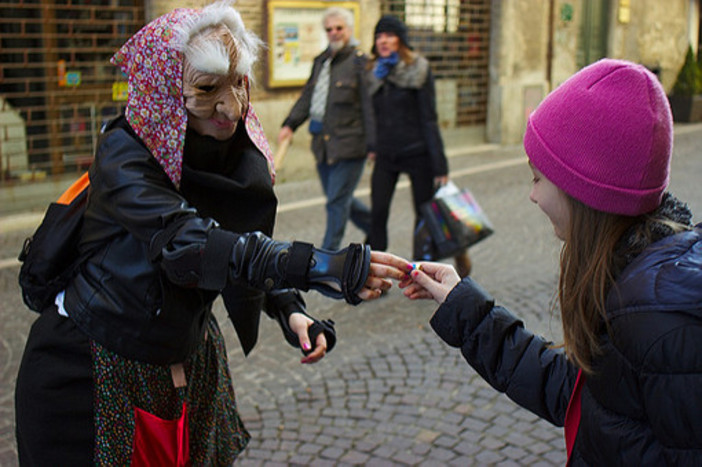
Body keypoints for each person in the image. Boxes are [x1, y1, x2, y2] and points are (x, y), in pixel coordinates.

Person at [14, 2, 404, 465]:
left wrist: (289, 309)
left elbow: (241, 237)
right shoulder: (125, 154)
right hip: (96, 364)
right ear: (164, 91)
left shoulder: (229, 149)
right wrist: (319, 266)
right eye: (206, 88)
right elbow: (192, 242)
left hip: (188, 356)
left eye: (238, 82)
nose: (230, 106)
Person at [383, 59, 702, 464]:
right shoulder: (636, 279)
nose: (532, 196)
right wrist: (463, 306)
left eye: (537, 178)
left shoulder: (659, 321)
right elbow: (582, 400)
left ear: (585, 191)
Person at [366, 15, 472, 277]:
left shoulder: (419, 69)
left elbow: (429, 118)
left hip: (418, 152)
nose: (384, 41)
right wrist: (372, 145)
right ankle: (376, 274)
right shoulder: (373, 73)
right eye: (379, 36)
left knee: (423, 216)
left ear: (401, 40)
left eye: (389, 35)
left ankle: (422, 272)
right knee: (378, 211)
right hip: (387, 154)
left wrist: (440, 164)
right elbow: (370, 115)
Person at [277, 7, 374, 251]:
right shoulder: (321, 60)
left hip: (350, 145)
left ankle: (326, 259)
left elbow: (370, 107)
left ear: (350, 29)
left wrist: (374, 145)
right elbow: (309, 96)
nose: (334, 33)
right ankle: (376, 227)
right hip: (322, 145)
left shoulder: (361, 63)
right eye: (329, 29)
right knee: (341, 199)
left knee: (336, 203)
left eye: (339, 28)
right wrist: (290, 124)